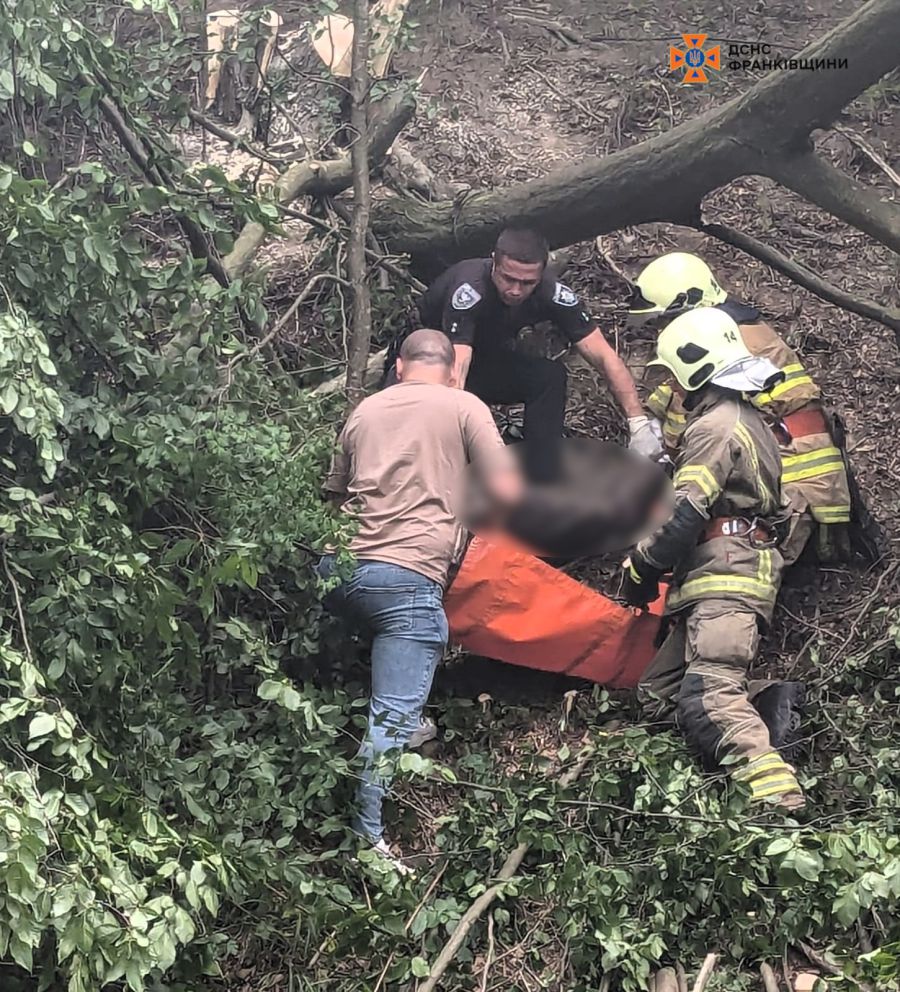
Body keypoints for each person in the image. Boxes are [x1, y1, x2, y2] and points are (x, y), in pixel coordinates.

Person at [319, 329, 521, 871]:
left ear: (402, 368)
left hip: (337, 571)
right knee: (392, 710)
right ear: (453, 368)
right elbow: (505, 491)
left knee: (402, 656)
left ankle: (411, 720)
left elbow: (333, 496)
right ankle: (368, 841)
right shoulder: (463, 404)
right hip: (407, 578)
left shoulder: (365, 410)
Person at [623, 307, 806, 810]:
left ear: (691, 368)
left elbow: (685, 513)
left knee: (713, 696)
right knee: (659, 695)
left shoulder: (717, 427)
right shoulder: (744, 421)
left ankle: (779, 804)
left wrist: (641, 568)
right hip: (718, 576)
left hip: (725, 577)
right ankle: (771, 705)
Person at [384, 228, 663, 482]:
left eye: (527, 282)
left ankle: (542, 474)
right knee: (407, 432)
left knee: (549, 376)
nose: (516, 290)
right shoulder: (470, 289)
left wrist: (637, 424)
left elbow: (604, 355)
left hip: (485, 363)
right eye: (508, 278)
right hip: (426, 367)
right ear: (494, 262)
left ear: (542, 273)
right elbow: (457, 367)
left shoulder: (552, 293)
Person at [628, 251, 853, 566]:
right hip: (812, 484)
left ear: (688, 305)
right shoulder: (736, 331)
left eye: (664, 319)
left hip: (793, 496)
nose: (660, 329)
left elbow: (686, 425)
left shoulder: (725, 346)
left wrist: (654, 441)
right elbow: (677, 394)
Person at [204, 0, 283, 126]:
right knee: (218, 58)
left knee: (241, 64)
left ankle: (248, 99)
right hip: (223, 13)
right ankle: (213, 99)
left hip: (256, 15)